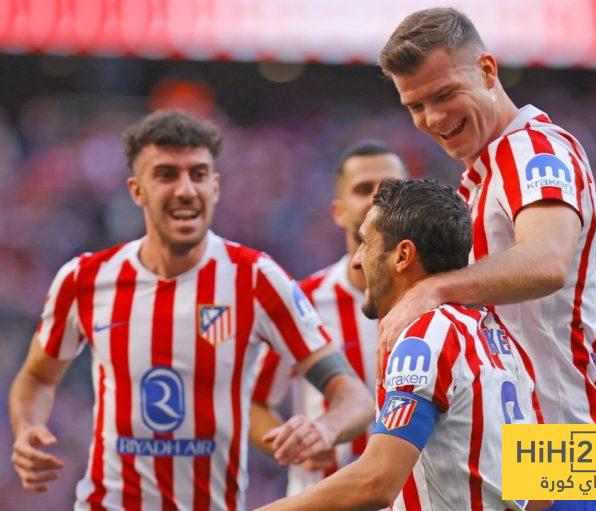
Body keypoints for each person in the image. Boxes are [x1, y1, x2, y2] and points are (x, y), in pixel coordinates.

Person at [8, 110, 373, 511]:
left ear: (215, 186)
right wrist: (27, 428)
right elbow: (37, 378)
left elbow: (354, 397)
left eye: (197, 174)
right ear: (137, 190)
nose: (185, 190)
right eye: (166, 175)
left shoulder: (256, 278)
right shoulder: (86, 279)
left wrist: (324, 429)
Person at [376, 9, 596, 510]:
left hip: (568, 447)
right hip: (532, 451)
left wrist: (435, 288)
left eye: (445, 94)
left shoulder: (532, 149)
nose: (433, 118)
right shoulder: (483, 176)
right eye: (416, 106)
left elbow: (547, 261)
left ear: (487, 70)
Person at [257, 178, 543, 511]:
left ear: (403, 255)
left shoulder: (427, 337)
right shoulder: (502, 340)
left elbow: (377, 481)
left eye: (366, 243)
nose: (357, 260)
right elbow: (539, 494)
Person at [249, 140, 407, 496]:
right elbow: (253, 402)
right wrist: (293, 443)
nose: (378, 199)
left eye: (391, 188)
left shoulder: (446, 297)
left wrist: (530, 489)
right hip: (327, 497)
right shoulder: (303, 301)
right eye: (363, 189)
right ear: (337, 211)